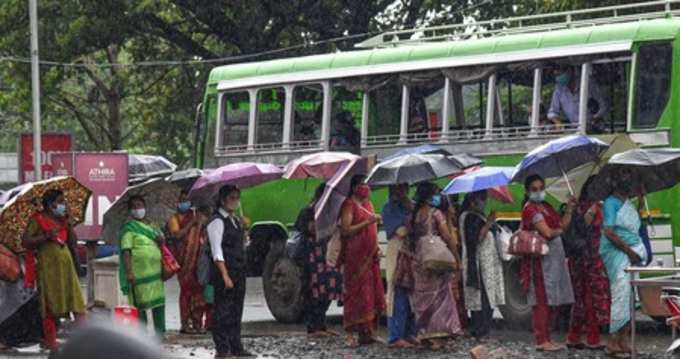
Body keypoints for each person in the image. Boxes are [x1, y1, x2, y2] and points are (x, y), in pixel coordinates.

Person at [22, 189, 86, 352]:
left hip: (67, 267)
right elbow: (26, 241)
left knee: (77, 303)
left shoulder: (63, 220)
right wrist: (45, 237)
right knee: (50, 305)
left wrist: (68, 222)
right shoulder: (37, 219)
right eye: (61, 201)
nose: (64, 205)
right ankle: (52, 345)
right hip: (48, 268)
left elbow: (72, 241)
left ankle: (84, 342)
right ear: (51, 205)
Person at [520, 174, 575, 352]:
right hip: (540, 263)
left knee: (553, 300)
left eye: (541, 188)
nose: (539, 192)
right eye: (534, 189)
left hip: (554, 260)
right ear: (527, 191)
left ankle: (548, 338)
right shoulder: (530, 210)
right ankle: (541, 340)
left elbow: (562, 226)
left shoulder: (545, 206)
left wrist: (569, 209)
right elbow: (548, 233)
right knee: (542, 301)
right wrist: (557, 230)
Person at [407, 182, 462, 349]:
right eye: (436, 193)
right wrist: (457, 258)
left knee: (422, 297)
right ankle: (439, 337)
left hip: (420, 260)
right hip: (435, 260)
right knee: (441, 297)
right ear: (429, 196)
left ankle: (424, 335)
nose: (438, 197)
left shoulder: (413, 215)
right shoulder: (436, 214)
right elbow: (447, 237)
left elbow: (410, 239)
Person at [600, 173, 647, 357]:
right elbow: (610, 232)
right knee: (621, 295)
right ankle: (612, 343)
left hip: (630, 253)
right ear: (617, 183)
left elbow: (631, 224)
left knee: (630, 296)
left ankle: (624, 340)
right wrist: (630, 252)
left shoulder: (627, 202)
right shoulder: (610, 203)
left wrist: (641, 201)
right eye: (626, 181)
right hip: (617, 254)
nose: (630, 184)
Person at [338, 174, 385, 347]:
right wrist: (367, 222)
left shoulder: (368, 204)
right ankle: (350, 334)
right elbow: (346, 230)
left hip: (371, 256)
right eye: (362, 184)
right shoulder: (349, 205)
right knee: (354, 294)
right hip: (355, 258)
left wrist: (377, 247)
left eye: (367, 184)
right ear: (355, 187)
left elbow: (373, 230)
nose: (366, 187)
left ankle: (368, 333)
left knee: (371, 295)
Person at [207, 185, 252, 357]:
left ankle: (236, 345)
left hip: (239, 270)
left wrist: (245, 232)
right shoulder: (217, 221)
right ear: (223, 199)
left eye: (237, 198)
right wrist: (225, 275)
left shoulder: (235, 220)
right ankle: (222, 348)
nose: (235, 201)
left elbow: (240, 245)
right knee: (223, 311)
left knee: (236, 310)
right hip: (224, 271)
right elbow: (216, 250)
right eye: (232, 198)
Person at [566, 176, 610, 351]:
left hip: (590, 257)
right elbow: (585, 227)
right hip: (587, 259)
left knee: (582, 299)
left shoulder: (593, 206)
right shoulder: (584, 207)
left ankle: (573, 335)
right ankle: (593, 338)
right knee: (589, 298)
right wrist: (592, 210)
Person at [294, 183, 342, 337]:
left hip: (324, 254)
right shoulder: (308, 211)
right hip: (311, 257)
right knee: (313, 291)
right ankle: (312, 328)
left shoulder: (328, 212)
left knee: (327, 290)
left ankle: (321, 325)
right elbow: (307, 229)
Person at [459, 190, 505, 339]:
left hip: (487, 265)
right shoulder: (468, 217)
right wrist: (489, 223)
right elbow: (475, 239)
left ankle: (482, 330)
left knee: (486, 298)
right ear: (473, 200)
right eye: (482, 198)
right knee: (482, 299)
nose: (484, 201)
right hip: (479, 266)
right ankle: (480, 330)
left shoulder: (477, 215)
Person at [118, 195, 166, 335]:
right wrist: (129, 272)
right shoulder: (128, 229)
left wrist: (161, 240)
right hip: (139, 274)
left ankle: (160, 334)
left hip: (156, 273)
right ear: (130, 211)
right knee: (141, 305)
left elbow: (162, 244)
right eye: (134, 206)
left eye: (140, 205)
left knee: (159, 304)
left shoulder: (152, 226)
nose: (137, 209)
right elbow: (126, 252)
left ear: (145, 207)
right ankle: (142, 336)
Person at [167, 191, 210, 334]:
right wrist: (192, 223)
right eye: (181, 200)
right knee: (186, 292)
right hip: (184, 260)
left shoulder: (197, 215)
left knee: (199, 292)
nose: (184, 202)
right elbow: (176, 234)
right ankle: (185, 324)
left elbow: (204, 232)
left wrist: (200, 223)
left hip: (198, 260)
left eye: (186, 200)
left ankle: (198, 323)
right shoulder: (174, 218)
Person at [381, 183, 417, 348]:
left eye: (405, 187)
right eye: (400, 188)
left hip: (410, 252)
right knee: (397, 293)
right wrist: (411, 219)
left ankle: (410, 332)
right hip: (397, 252)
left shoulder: (410, 205)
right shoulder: (389, 208)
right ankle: (395, 336)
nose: (404, 190)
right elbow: (400, 231)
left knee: (411, 294)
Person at [547, 66, 608, 132]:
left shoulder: (588, 82)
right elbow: (552, 111)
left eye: (559, 74)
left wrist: (595, 118)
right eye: (556, 75)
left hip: (596, 127)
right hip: (575, 129)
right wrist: (558, 122)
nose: (558, 78)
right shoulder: (559, 88)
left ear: (569, 71)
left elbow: (604, 105)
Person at [444, 194, 468, 330]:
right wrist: (459, 262)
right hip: (451, 262)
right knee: (453, 294)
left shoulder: (451, 222)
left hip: (452, 260)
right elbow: (452, 244)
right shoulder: (446, 225)